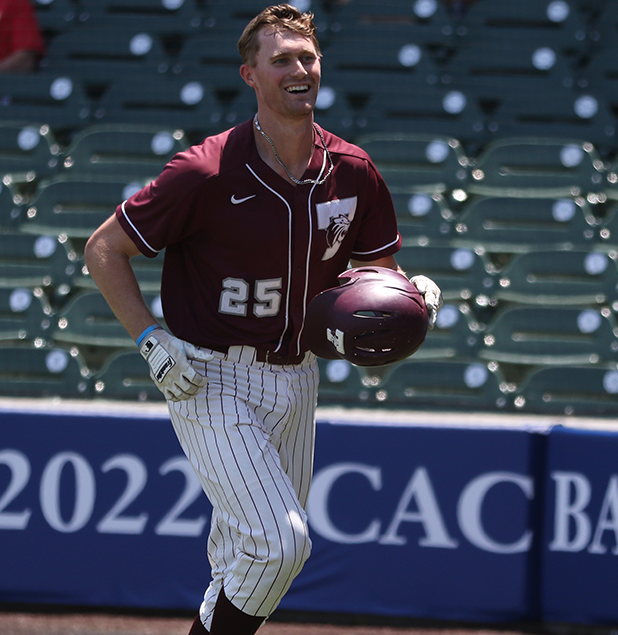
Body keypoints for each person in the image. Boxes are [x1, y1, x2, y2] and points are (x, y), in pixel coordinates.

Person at [84, 5, 441, 634]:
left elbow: (373, 274)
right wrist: (149, 338)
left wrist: (407, 298)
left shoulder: (353, 170)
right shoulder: (203, 170)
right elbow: (104, 248)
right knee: (280, 545)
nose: (298, 68)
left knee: (250, 563)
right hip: (209, 375)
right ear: (250, 74)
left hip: (299, 377)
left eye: (307, 57)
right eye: (281, 59)